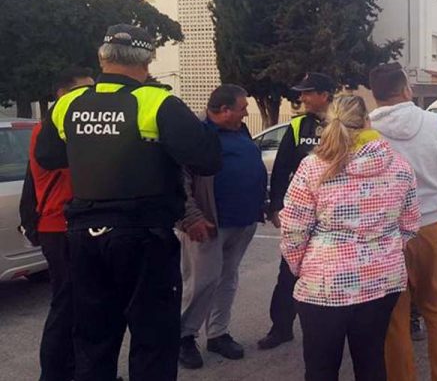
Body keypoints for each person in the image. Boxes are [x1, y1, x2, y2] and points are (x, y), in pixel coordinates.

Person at [34, 24, 221, 381]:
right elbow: (207, 160)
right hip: (143, 237)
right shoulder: (157, 102)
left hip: (85, 236)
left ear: (103, 58)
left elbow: (48, 157)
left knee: (92, 339)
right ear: (147, 60)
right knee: (153, 340)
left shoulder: (68, 103)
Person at [279, 95, 420, 381]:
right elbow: (410, 224)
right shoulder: (399, 166)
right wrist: (383, 250)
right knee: (372, 361)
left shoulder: (313, 167)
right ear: (368, 122)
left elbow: (293, 229)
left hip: (324, 285)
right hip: (382, 281)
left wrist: (301, 267)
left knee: (320, 369)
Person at [368, 62, 437, 381]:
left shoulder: (366, 132)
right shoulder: (435, 124)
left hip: (386, 233)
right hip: (431, 224)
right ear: (407, 89)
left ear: (375, 94)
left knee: (394, 317)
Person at [177, 84, 267, 369]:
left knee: (227, 278)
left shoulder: (240, 131)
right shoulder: (198, 136)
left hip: (243, 220)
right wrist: (191, 218)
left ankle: (218, 333)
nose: (246, 112)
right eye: (242, 108)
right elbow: (180, 182)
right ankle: (184, 336)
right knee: (201, 282)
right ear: (224, 110)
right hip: (208, 224)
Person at [19, 67, 94, 381]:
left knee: (84, 305)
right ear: (63, 96)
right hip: (60, 228)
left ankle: (82, 370)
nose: (93, 97)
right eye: (85, 91)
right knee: (66, 305)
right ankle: (54, 374)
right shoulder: (52, 129)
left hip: (75, 226)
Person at [257, 72, 335, 350]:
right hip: (303, 213)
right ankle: (281, 327)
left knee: (334, 272)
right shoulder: (297, 126)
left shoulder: (345, 123)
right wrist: (276, 205)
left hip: (336, 215)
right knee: (288, 270)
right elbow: (280, 170)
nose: (301, 98)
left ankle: (332, 331)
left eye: (307, 92)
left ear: (324, 95)